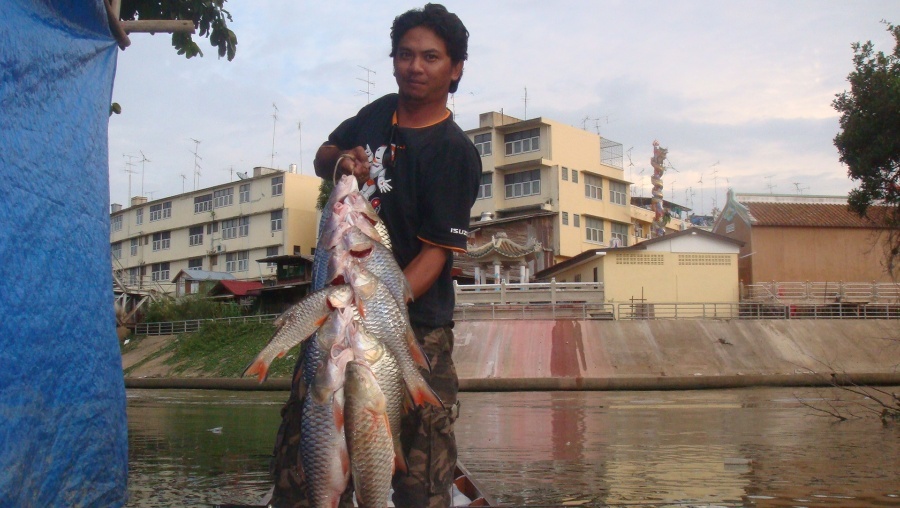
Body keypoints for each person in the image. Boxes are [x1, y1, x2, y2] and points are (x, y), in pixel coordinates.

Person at [269, 4, 481, 507]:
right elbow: (325, 153)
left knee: (419, 466)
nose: (415, 66)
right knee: (307, 452)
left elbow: (436, 256)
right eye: (405, 54)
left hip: (414, 326)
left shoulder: (454, 152)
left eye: (431, 57)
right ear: (392, 61)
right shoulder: (375, 114)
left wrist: (375, 310)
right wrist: (342, 160)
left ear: (455, 69)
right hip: (336, 316)